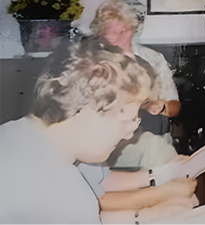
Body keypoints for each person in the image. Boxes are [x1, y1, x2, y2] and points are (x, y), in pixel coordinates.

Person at [0, 37, 194, 223]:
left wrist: (149, 215)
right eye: (127, 120)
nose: (129, 135)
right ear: (90, 105)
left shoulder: (19, 136)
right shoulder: (61, 197)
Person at [90, 0, 181, 168]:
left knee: (160, 154)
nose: (120, 36)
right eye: (113, 31)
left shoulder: (152, 58)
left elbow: (175, 107)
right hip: (102, 145)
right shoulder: (88, 62)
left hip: (146, 140)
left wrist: (160, 106)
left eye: (125, 30)